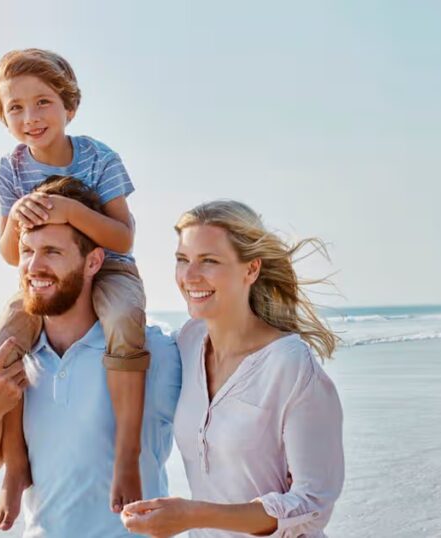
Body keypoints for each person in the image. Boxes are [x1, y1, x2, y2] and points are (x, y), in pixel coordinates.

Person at [0, 48, 150, 527]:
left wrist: (73, 213)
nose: (30, 117)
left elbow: (123, 236)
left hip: (110, 268)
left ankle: (127, 455)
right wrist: (17, 216)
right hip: (43, 278)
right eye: (15, 107)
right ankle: (16, 468)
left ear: (68, 107)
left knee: (123, 325)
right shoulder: (9, 171)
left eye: (43, 102)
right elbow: (11, 254)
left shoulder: (99, 157)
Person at [0, 177, 181, 536]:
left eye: (52, 252)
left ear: (93, 262)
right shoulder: (15, 356)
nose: (33, 266)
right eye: (28, 250)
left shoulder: (155, 351)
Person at [121, 200, 345, 537]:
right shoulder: (188, 342)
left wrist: (192, 514)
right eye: (183, 260)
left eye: (209, 261)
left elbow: (312, 504)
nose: (190, 276)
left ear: (251, 269)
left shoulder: (291, 365)